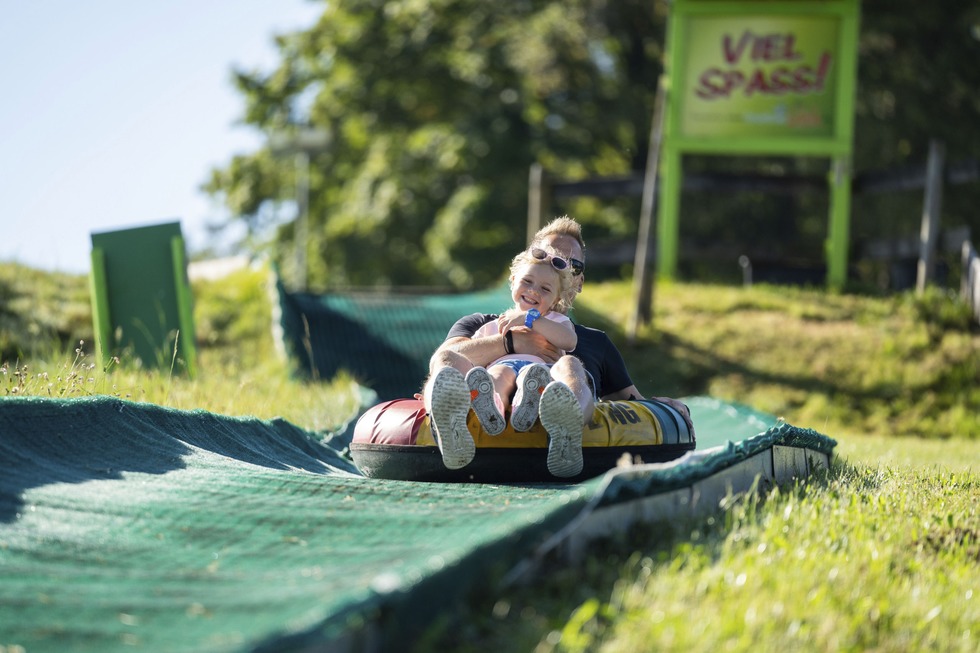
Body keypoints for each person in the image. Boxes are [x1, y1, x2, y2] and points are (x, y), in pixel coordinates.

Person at [423, 215, 693, 477]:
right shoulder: (480, 324)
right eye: (544, 254)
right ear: (518, 274)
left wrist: (658, 409)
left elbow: (629, 404)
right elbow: (443, 361)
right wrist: (511, 342)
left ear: (578, 281)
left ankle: (566, 424)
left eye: (568, 264)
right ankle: (457, 424)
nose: (552, 267)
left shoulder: (594, 342)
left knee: (568, 365)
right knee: (479, 372)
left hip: (550, 394)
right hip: (488, 418)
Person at [463, 247, 579, 474]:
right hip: (503, 366)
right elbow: (473, 357)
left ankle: (524, 406)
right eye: (527, 281)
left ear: (556, 299)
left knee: (531, 376)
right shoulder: (493, 325)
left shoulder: (555, 320)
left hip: (541, 368)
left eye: (545, 289)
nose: (534, 291)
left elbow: (569, 341)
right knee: (496, 376)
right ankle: (492, 408)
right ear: (513, 281)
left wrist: (530, 318)